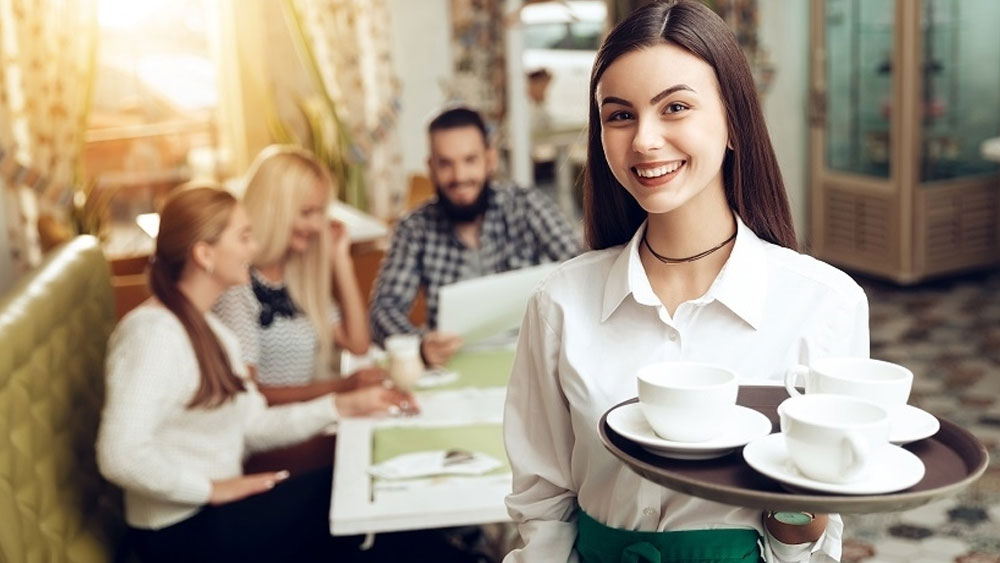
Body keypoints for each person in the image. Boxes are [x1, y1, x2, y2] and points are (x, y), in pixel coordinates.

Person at [502, 2, 869, 562]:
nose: (645, 140)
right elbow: (543, 506)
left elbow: (811, 544)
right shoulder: (560, 303)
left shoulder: (825, 305)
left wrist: (800, 510)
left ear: (732, 123)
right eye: (619, 115)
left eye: (675, 107)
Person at [96, 186, 413, 563]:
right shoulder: (154, 335)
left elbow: (253, 424)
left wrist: (342, 405)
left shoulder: (211, 332)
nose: (253, 247)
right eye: (244, 236)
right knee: (345, 501)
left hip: (210, 519)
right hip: (177, 534)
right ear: (204, 254)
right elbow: (119, 453)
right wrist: (209, 489)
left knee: (358, 498)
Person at [370, 106, 582, 366]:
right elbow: (383, 310)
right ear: (431, 168)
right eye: (446, 164)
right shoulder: (414, 228)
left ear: (489, 160)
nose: (459, 177)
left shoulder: (526, 205)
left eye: (470, 160)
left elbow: (581, 271)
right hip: (453, 367)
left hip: (535, 359)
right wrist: (421, 344)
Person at [214, 145, 381, 407]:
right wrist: (340, 388)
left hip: (302, 423)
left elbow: (358, 344)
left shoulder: (295, 276)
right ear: (272, 211)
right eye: (306, 213)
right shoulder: (236, 286)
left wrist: (340, 260)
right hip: (271, 437)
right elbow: (247, 397)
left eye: (320, 213)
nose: (317, 225)